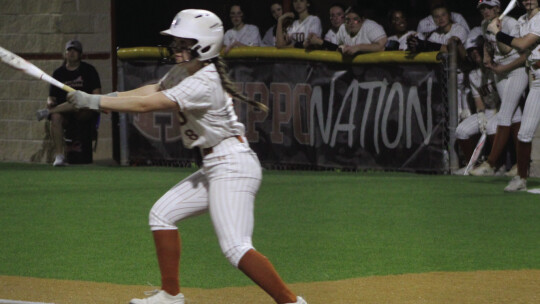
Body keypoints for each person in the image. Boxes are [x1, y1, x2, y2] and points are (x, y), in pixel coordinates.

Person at [67, 9, 307, 304]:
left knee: (235, 247)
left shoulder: (204, 80)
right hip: (216, 162)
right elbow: (151, 89)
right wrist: (110, 98)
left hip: (232, 164)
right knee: (162, 214)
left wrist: (94, 101)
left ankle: (291, 302)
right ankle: (170, 295)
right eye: (177, 42)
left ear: (203, 45)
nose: (177, 48)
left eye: (184, 43)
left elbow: (147, 105)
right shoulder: (187, 70)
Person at [469, 0, 527, 178]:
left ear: (497, 9)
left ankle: (491, 163)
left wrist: (498, 31)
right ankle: (520, 165)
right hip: (499, 70)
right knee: (515, 117)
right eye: (482, 8)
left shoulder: (510, 23)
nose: (485, 11)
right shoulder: (484, 23)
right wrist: (487, 55)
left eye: (488, 8)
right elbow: (488, 42)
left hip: (516, 70)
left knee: (505, 114)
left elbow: (513, 50)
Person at [487, 0, 540, 191]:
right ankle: (521, 179)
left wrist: (498, 34)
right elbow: (510, 49)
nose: (528, 1)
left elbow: (524, 42)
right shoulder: (522, 19)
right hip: (536, 78)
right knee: (524, 134)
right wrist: (499, 34)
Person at [36, 39, 101, 166]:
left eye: (75, 51)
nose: (72, 53)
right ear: (65, 54)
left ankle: (49, 112)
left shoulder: (89, 70)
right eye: (69, 50)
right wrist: (50, 102)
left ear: (80, 54)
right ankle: (59, 157)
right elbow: (51, 97)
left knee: (77, 100)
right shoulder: (58, 73)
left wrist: (86, 100)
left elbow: (97, 95)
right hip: (64, 111)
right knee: (55, 117)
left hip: (84, 109)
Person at [455, 30, 501, 174]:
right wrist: (481, 115)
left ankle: (496, 166)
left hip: (502, 109)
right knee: (461, 131)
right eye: (471, 51)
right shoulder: (474, 74)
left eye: (477, 49)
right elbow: (478, 102)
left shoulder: (496, 68)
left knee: (493, 128)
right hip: (488, 110)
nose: (474, 53)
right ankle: (473, 165)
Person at [305, 6, 387, 54]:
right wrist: (318, 42)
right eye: (348, 20)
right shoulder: (343, 28)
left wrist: (359, 47)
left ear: (362, 19)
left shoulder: (369, 25)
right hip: (357, 77)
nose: (351, 23)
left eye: (355, 19)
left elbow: (381, 46)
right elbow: (337, 48)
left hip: (378, 75)